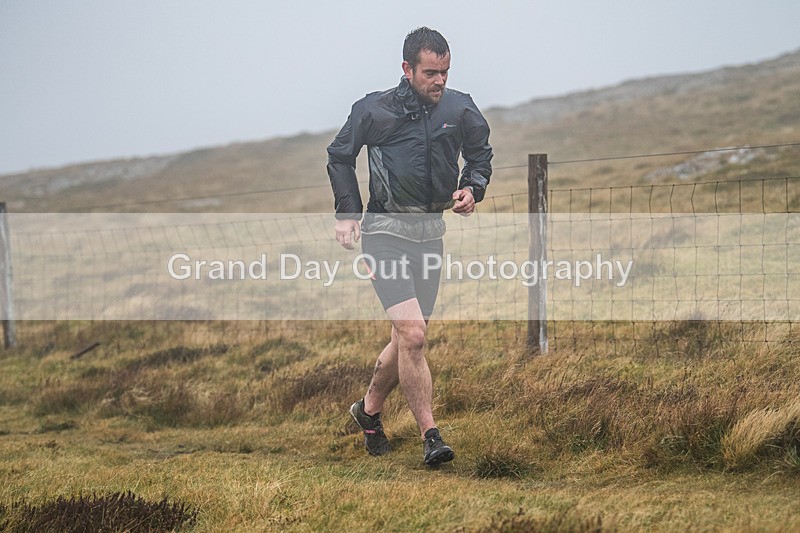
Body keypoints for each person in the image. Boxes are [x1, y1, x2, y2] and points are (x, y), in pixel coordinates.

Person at [326, 26, 493, 466]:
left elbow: (480, 155)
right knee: (414, 335)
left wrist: (472, 188)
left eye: (445, 72)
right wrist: (347, 212)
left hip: (430, 236)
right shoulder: (375, 109)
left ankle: (368, 411)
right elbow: (340, 156)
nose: (440, 81)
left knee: (406, 338)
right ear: (407, 68)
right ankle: (431, 436)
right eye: (430, 73)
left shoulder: (460, 108)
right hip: (384, 234)